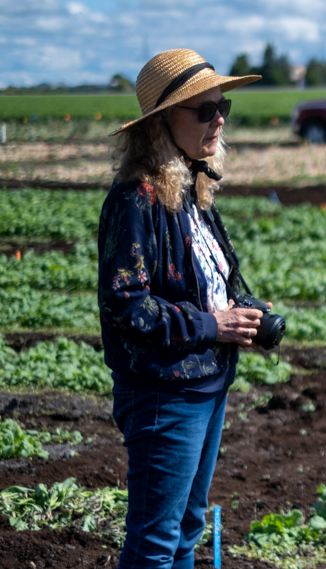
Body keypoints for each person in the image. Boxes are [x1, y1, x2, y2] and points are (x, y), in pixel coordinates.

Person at [98, 48, 273, 569]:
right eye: (203, 109)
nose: (218, 118)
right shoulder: (138, 198)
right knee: (155, 541)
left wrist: (241, 312)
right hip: (164, 394)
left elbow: (205, 284)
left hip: (205, 385)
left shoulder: (193, 192)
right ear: (161, 124)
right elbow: (125, 304)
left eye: (222, 108)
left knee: (185, 533)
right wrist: (211, 324)